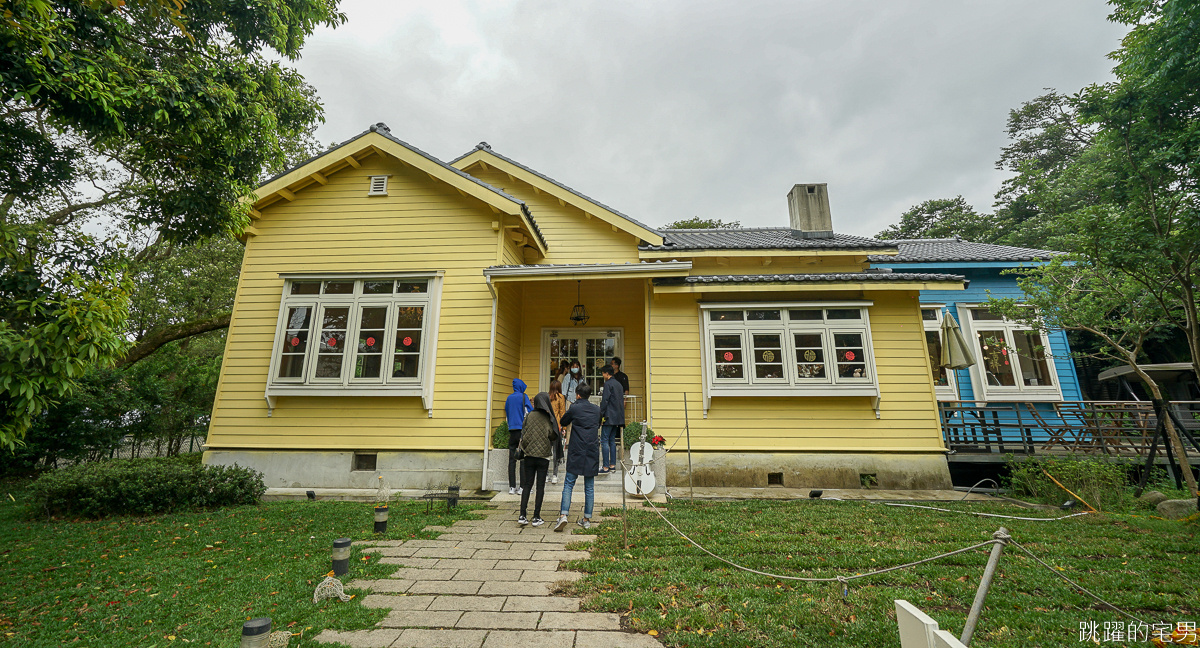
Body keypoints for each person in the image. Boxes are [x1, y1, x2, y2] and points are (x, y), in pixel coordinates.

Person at [556, 382, 601, 531]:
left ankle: (563, 515)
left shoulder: (574, 407)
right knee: (589, 487)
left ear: (578, 394)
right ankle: (586, 519)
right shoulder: (596, 409)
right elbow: (598, 424)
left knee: (569, 483)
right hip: (592, 449)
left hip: (577, 449)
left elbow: (563, 421)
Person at [516, 392, 559, 527]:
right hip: (543, 457)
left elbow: (524, 433)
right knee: (540, 486)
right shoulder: (548, 418)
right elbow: (552, 435)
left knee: (527, 485)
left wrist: (527, 447)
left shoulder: (529, 416)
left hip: (529, 456)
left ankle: (522, 515)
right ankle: (536, 516)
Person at [504, 378, 533, 495]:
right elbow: (530, 411)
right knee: (523, 459)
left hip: (512, 430)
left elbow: (506, 411)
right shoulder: (524, 397)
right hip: (522, 430)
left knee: (512, 459)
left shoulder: (509, 398)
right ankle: (522, 487)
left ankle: (512, 487)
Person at [598, 365, 624, 473]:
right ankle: (612, 465)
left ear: (607, 373)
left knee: (604, 441)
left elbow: (605, 401)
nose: (603, 375)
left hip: (608, 416)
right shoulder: (618, 384)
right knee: (612, 441)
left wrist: (600, 415)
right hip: (617, 417)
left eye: (603, 373)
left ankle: (605, 467)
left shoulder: (608, 384)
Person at [547, 379, 568, 484]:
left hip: (546, 426)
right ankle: (555, 475)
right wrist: (564, 428)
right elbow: (562, 413)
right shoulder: (561, 397)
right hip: (557, 427)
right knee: (556, 451)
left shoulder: (547, 396)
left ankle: (546, 474)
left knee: (546, 451)